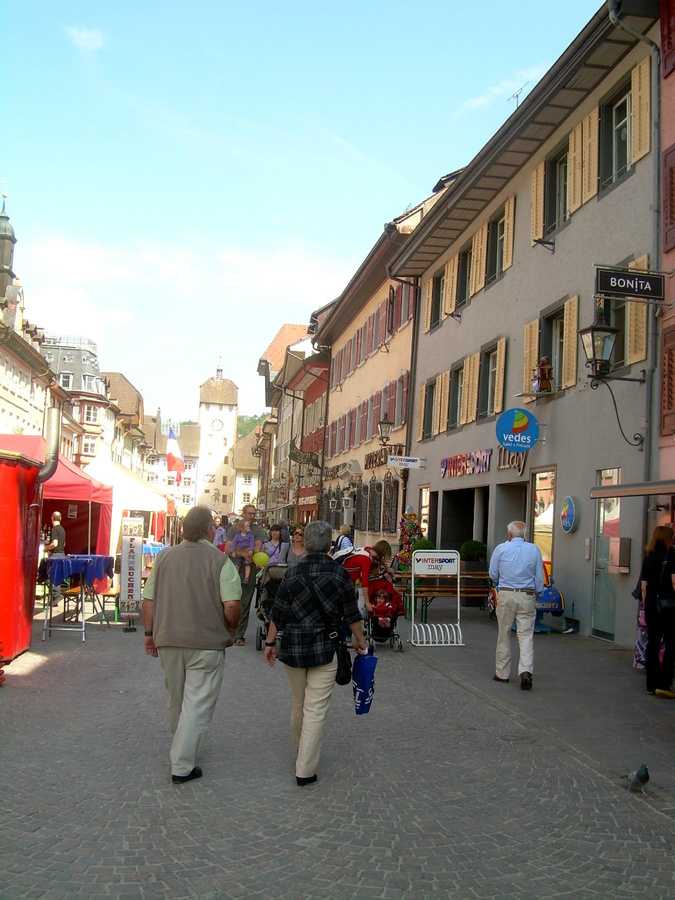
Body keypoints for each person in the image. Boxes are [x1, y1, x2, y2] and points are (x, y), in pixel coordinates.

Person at [142, 506, 242, 783]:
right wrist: (231, 627)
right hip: (207, 642)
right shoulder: (220, 561)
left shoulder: (163, 558)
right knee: (197, 702)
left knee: (176, 699)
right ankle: (182, 764)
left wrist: (149, 633)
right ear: (210, 529)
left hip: (169, 638)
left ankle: (181, 748)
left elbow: (148, 600)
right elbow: (232, 604)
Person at [263, 520, 366, 785]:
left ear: (306, 543)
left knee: (300, 704)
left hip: (294, 648)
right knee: (316, 708)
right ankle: (305, 769)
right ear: (330, 545)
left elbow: (278, 613)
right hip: (325, 647)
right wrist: (360, 640)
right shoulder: (339, 573)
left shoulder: (292, 574)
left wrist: (270, 643)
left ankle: (302, 750)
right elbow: (351, 613)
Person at [489, 521, 544, 690]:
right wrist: (536, 592)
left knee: (504, 633)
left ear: (510, 534)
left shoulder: (501, 549)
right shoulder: (534, 550)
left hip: (506, 593)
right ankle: (526, 671)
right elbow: (539, 577)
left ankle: (502, 673)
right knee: (526, 635)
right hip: (526, 594)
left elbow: (493, 573)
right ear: (525, 534)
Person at [639, 525, 675, 698]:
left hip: (652, 602)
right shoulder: (672, 555)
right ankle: (664, 683)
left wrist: (646, 604)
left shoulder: (648, 557)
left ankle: (650, 684)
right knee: (670, 642)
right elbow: (674, 582)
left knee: (652, 642)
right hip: (669, 603)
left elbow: (643, 586)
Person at [225, 504, 264, 646]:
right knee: (230, 600)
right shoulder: (233, 530)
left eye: (254, 514)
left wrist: (241, 552)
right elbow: (228, 549)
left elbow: (257, 549)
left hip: (250, 570)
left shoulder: (257, 531)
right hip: (234, 568)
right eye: (250, 514)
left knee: (245, 603)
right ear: (244, 514)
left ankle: (239, 635)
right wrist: (243, 553)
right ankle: (229, 631)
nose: (253, 516)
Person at [45, 511, 66, 605]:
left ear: (52, 519)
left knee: (52, 576)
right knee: (58, 575)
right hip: (62, 554)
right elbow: (64, 544)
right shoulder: (62, 530)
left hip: (55, 555)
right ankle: (55, 598)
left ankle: (55, 597)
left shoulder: (54, 530)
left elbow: (55, 544)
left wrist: (46, 549)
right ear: (60, 518)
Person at [230, 519, 255, 583]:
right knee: (237, 565)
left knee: (247, 565)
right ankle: (236, 577)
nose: (248, 527)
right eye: (246, 526)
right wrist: (233, 551)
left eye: (248, 526)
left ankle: (246, 577)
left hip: (247, 552)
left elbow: (252, 543)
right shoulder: (237, 536)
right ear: (241, 528)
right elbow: (234, 544)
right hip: (238, 554)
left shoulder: (250, 536)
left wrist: (251, 550)